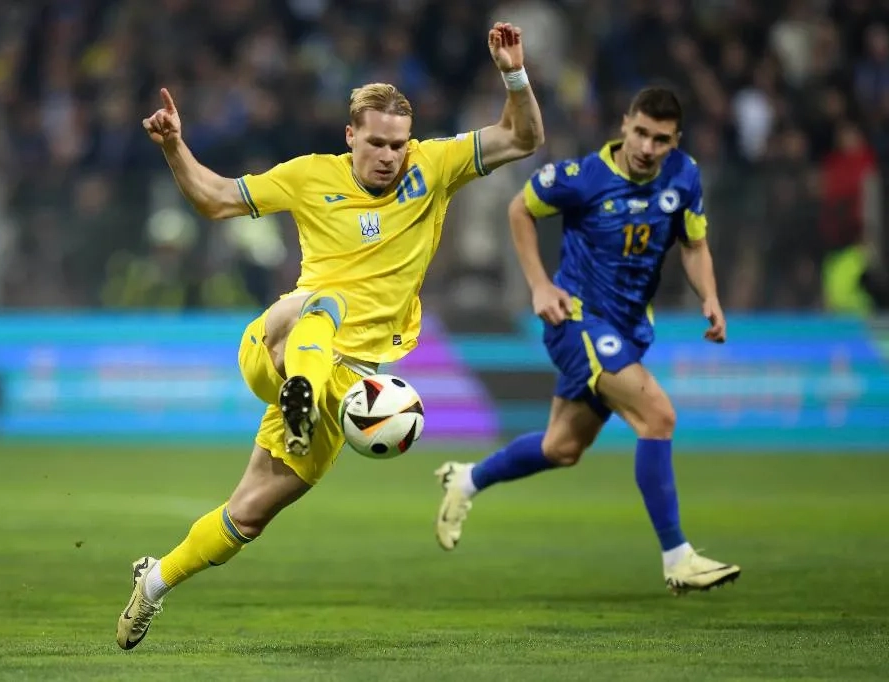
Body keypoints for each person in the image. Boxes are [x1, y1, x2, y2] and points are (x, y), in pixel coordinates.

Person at [117, 22, 545, 649]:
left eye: (398, 144)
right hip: (281, 345)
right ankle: (301, 392)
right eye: (376, 143)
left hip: (351, 382)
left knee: (248, 515)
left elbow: (523, 136)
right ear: (351, 137)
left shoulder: (435, 166)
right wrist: (175, 146)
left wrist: (514, 75)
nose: (390, 156)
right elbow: (217, 199)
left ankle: (154, 582)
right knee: (323, 302)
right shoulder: (309, 176)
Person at [434, 87, 741, 595]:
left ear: (675, 141)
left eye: (660, 139)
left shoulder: (683, 175)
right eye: (641, 133)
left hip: (627, 329)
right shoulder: (582, 177)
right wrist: (539, 285)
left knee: (561, 447)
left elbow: (694, 244)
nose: (647, 147)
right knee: (658, 416)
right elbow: (519, 209)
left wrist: (709, 296)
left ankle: (466, 480)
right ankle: (678, 557)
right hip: (575, 320)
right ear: (625, 125)